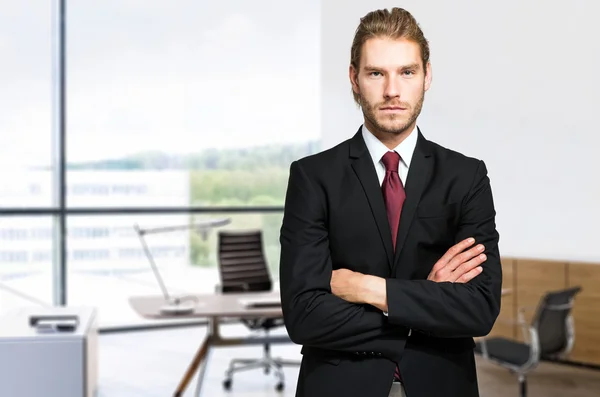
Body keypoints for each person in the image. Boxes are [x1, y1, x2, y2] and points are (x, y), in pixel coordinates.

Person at [279, 7, 502, 397]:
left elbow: (479, 308)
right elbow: (303, 315)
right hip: (340, 386)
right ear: (354, 79)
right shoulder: (312, 177)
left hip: (441, 383)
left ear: (427, 76)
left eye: (407, 72)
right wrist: (425, 300)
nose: (392, 91)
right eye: (376, 73)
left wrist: (368, 289)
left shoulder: (466, 177)